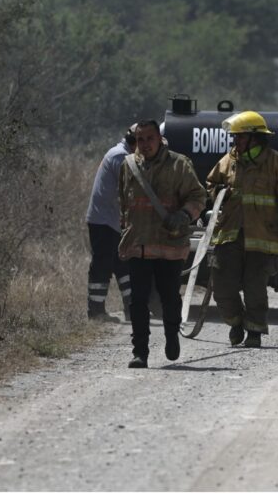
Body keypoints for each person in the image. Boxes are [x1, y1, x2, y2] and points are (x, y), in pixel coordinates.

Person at [206, 111, 278, 348]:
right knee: (222, 287)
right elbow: (211, 183)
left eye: (240, 137)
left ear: (255, 137)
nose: (235, 141)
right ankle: (236, 322)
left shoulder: (274, 162)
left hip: (262, 237)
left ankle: (255, 332)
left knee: (255, 288)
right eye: (235, 137)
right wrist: (217, 192)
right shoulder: (229, 160)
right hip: (229, 235)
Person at [118, 119, 206, 368]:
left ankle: (171, 336)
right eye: (140, 139)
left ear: (159, 139)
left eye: (149, 138)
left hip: (170, 245)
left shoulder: (179, 164)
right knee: (138, 300)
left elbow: (198, 196)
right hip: (139, 245)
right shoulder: (128, 165)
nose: (144, 144)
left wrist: (185, 215)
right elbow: (123, 201)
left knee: (169, 297)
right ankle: (140, 353)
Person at [85, 124, 137, 323]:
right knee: (102, 265)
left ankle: (131, 310)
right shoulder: (120, 158)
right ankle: (96, 312)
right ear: (135, 143)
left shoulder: (121, 154)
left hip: (112, 220)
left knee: (124, 265)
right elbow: (132, 190)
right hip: (104, 221)